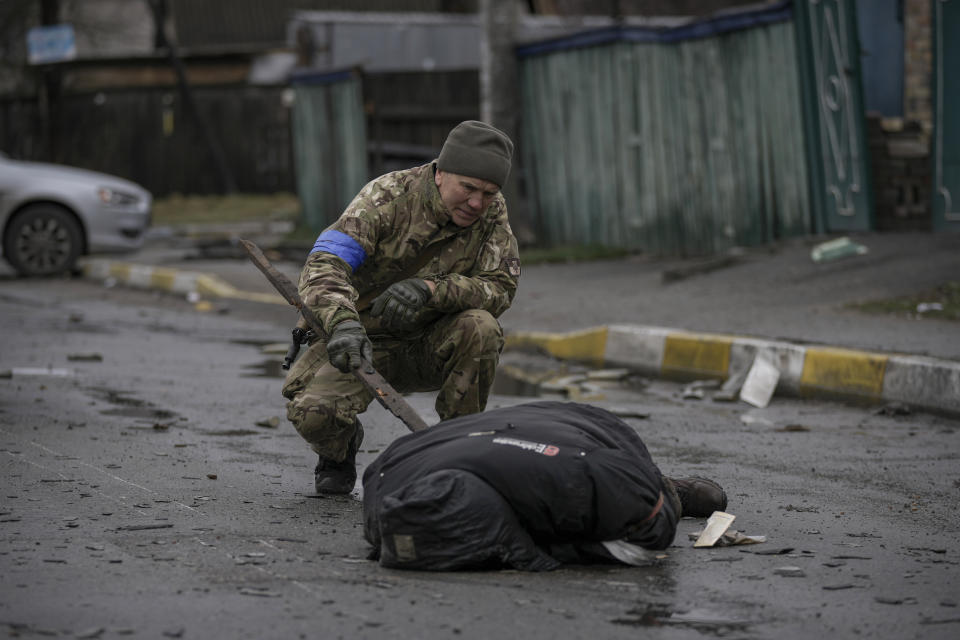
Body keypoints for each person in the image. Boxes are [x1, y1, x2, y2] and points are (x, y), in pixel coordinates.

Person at [282, 121, 521, 495]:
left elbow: (500, 289)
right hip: (362, 343)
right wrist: (343, 323)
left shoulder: (491, 214)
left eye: (489, 193)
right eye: (469, 188)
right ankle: (339, 449)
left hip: (432, 342)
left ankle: (456, 453)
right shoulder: (386, 196)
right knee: (314, 415)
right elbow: (325, 263)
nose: (477, 203)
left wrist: (432, 290)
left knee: (482, 327)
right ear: (441, 174)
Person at [362, 401, 728, 571]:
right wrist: (547, 555)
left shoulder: (598, 465)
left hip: (562, 431)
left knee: (633, 498)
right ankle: (662, 490)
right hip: (416, 465)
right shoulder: (420, 493)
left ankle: (663, 488)